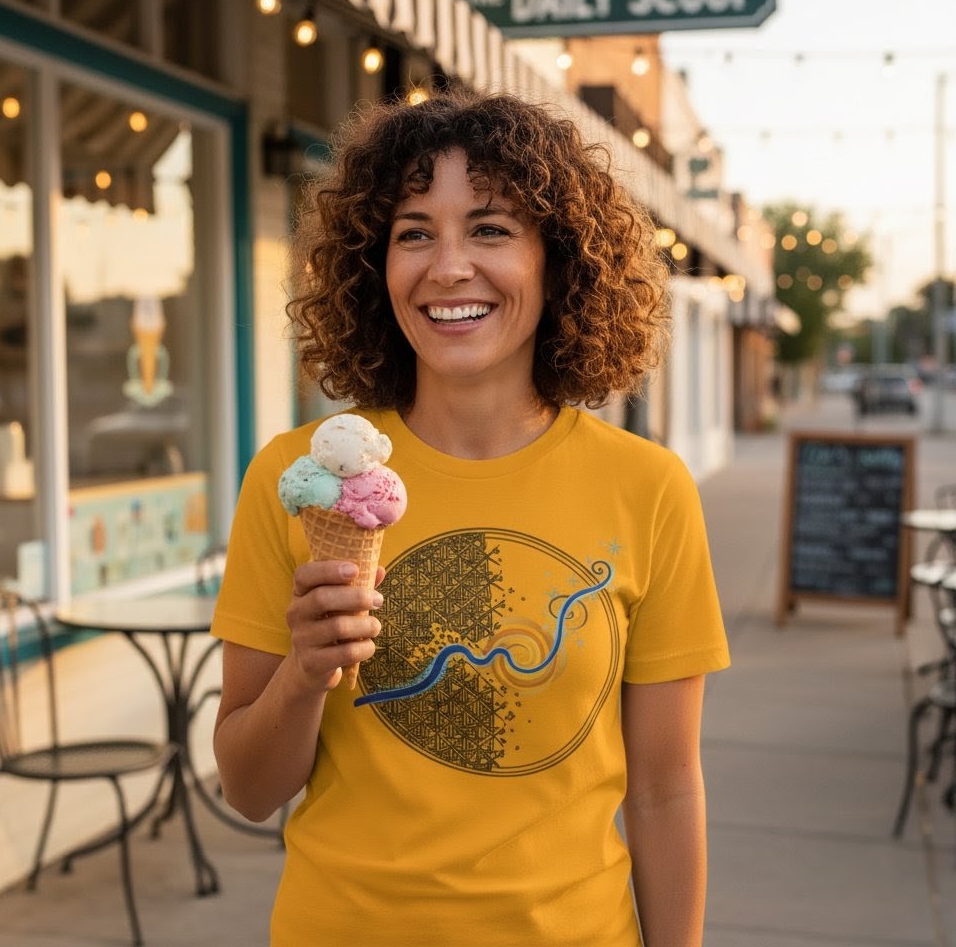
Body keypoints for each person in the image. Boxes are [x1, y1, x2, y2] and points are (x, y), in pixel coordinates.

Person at [211, 90, 730, 947]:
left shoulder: (649, 487)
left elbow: (666, 787)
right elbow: (249, 787)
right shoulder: (297, 479)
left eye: (489, 228)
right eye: (414, 232)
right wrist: (306, 673)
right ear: (372, 265)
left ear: (557, 260)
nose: (448, 266)